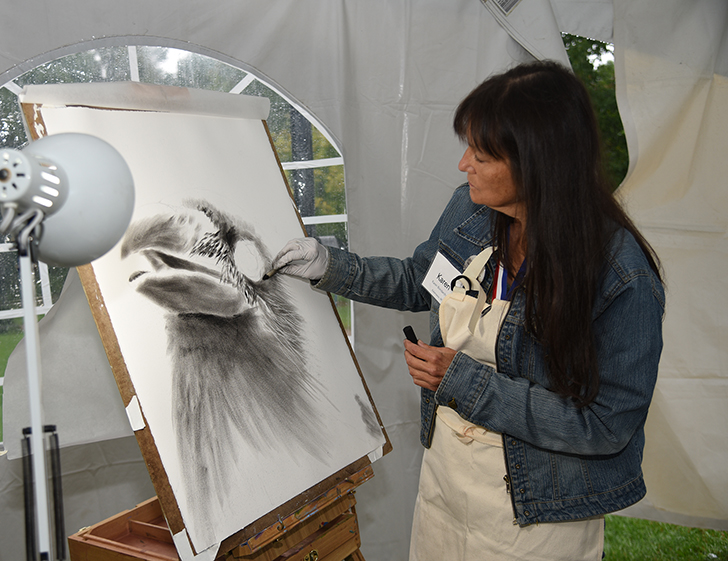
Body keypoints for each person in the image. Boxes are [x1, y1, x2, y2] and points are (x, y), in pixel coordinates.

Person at [270, 60, 664, 560]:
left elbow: (606, 425)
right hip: (445, 489)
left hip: (536, 516)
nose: (464, 165)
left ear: (537, 160)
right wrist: (330, 266)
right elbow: (420, 280)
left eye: (481, 153)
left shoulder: (620, 276)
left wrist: (465, 381)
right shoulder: (472, 211)